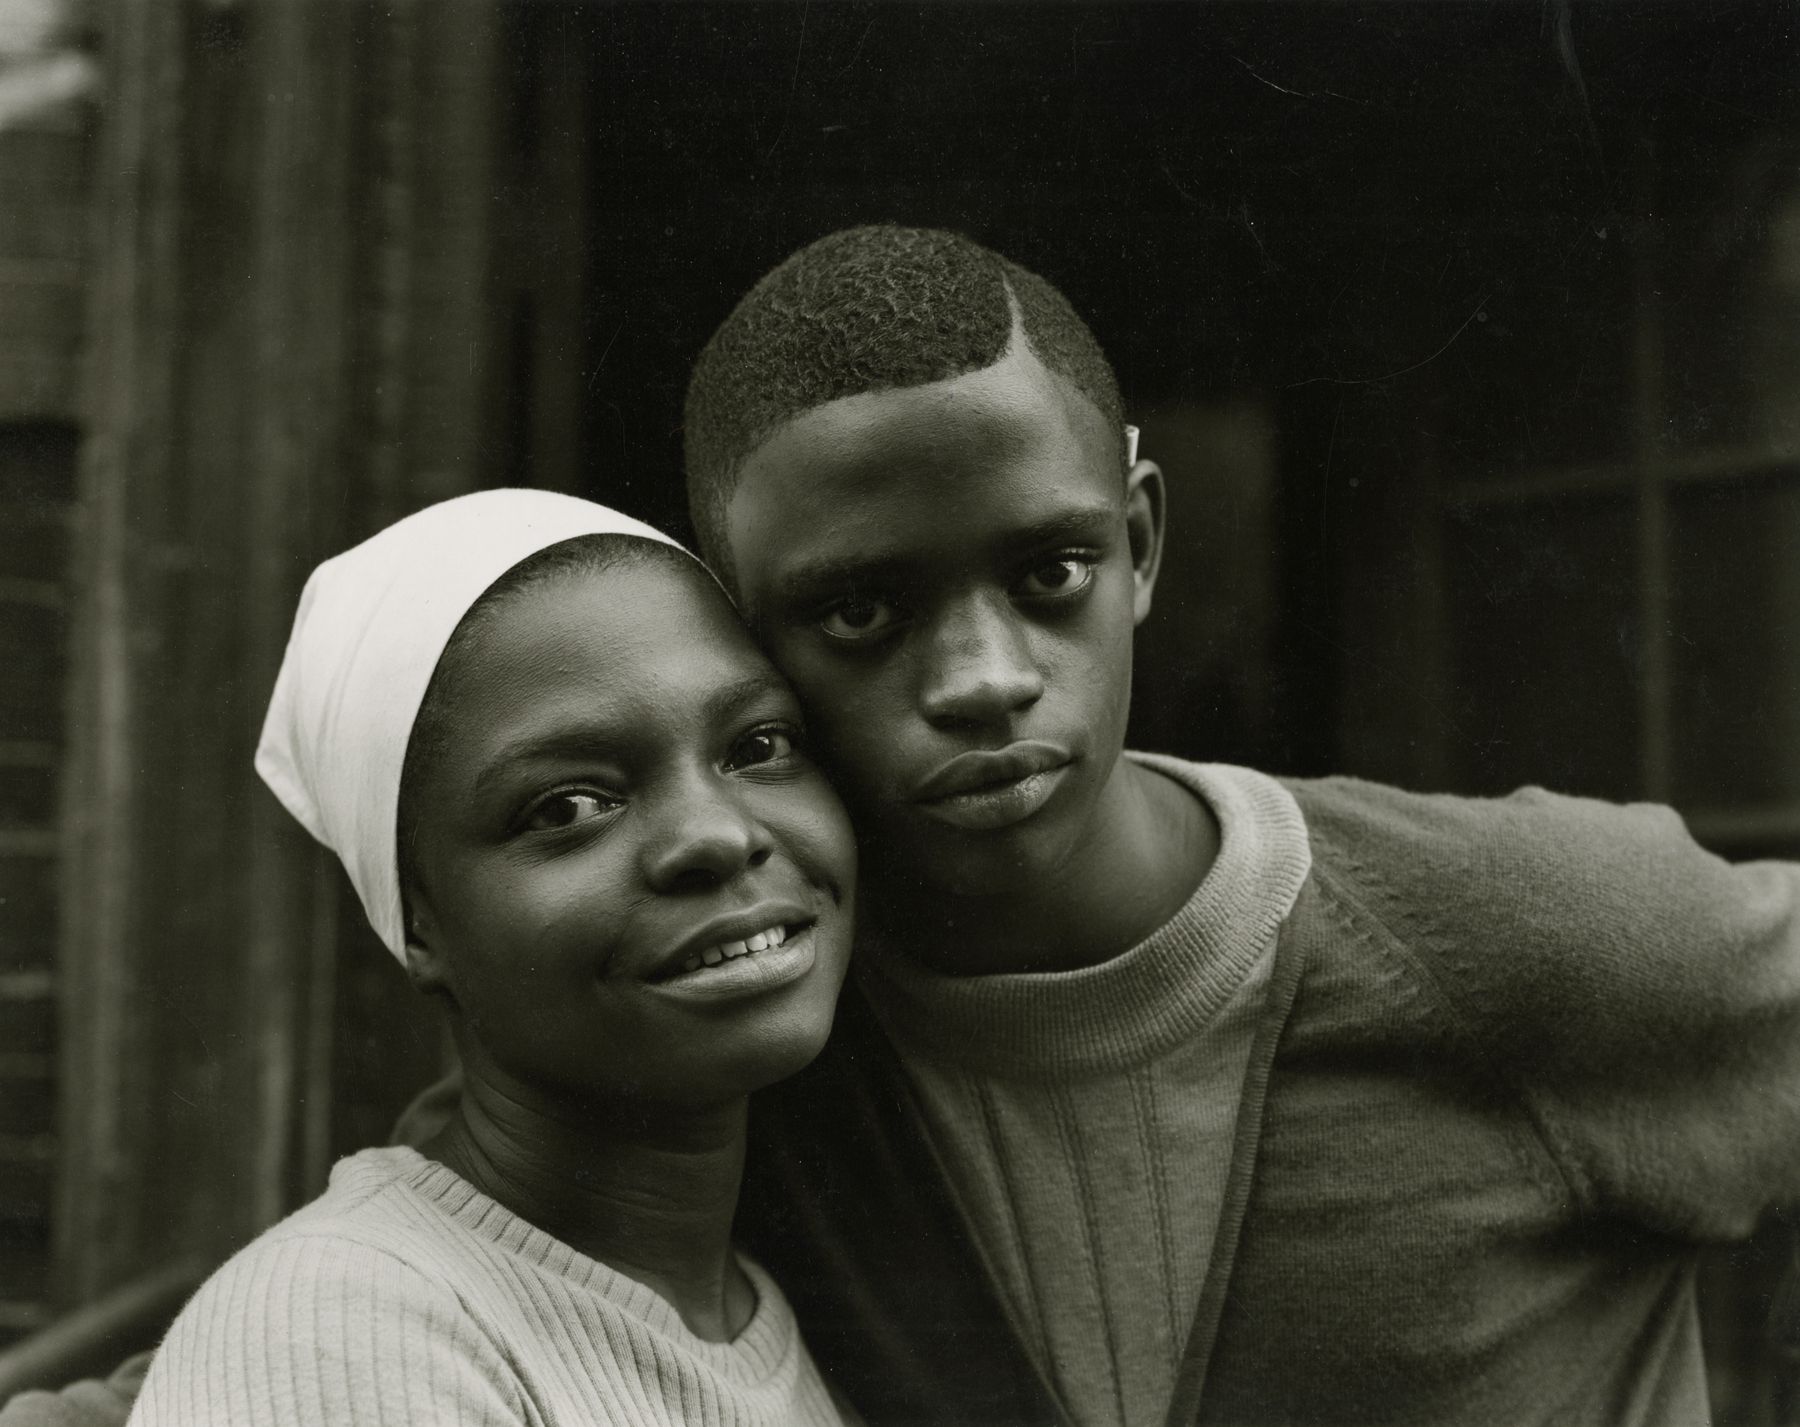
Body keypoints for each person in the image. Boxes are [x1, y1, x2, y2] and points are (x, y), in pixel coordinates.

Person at [679, 225, 1800, 1427]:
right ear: (736, 636)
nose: (983, 677)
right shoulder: (745, 1052)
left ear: (1141, 543)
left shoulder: (1532, 928)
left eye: (1050, 572)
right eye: (859, 610)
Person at [125, 490, 859, 1426]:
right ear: (417, 920)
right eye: (567, 807)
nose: (716, 834)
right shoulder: (347, 1332)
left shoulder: (765, 1317)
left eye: (758, 745)